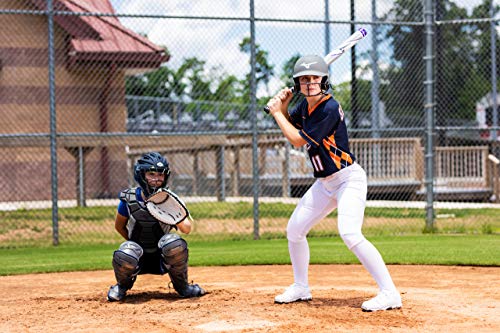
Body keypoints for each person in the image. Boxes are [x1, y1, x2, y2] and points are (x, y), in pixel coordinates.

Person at [265, 55, 401, 311]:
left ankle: (390, 292)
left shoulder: (328, 108)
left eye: (315, 78)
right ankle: (301, 287)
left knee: (349, 232)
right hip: (325, 183)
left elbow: (296, 139)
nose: (310, 83)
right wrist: (283, 106)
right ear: (298, 84)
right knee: (294, 230)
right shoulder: (305, 108)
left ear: (324, 80)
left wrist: (276, 113)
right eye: (304, 79)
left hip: (348, 179)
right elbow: (290, 122)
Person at [107, 152, 205, 301]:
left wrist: (172, 212)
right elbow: (119, 226)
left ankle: (183, 286)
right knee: (126, 251)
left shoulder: (170, 198)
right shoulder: (129, 198)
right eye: (151, 174)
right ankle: (121, 286)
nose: (156, 179)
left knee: (174, 243)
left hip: (163, 255)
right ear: (141, 175)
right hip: (138, 256)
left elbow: (187, 229)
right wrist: (133, 243)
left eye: (161, 175)